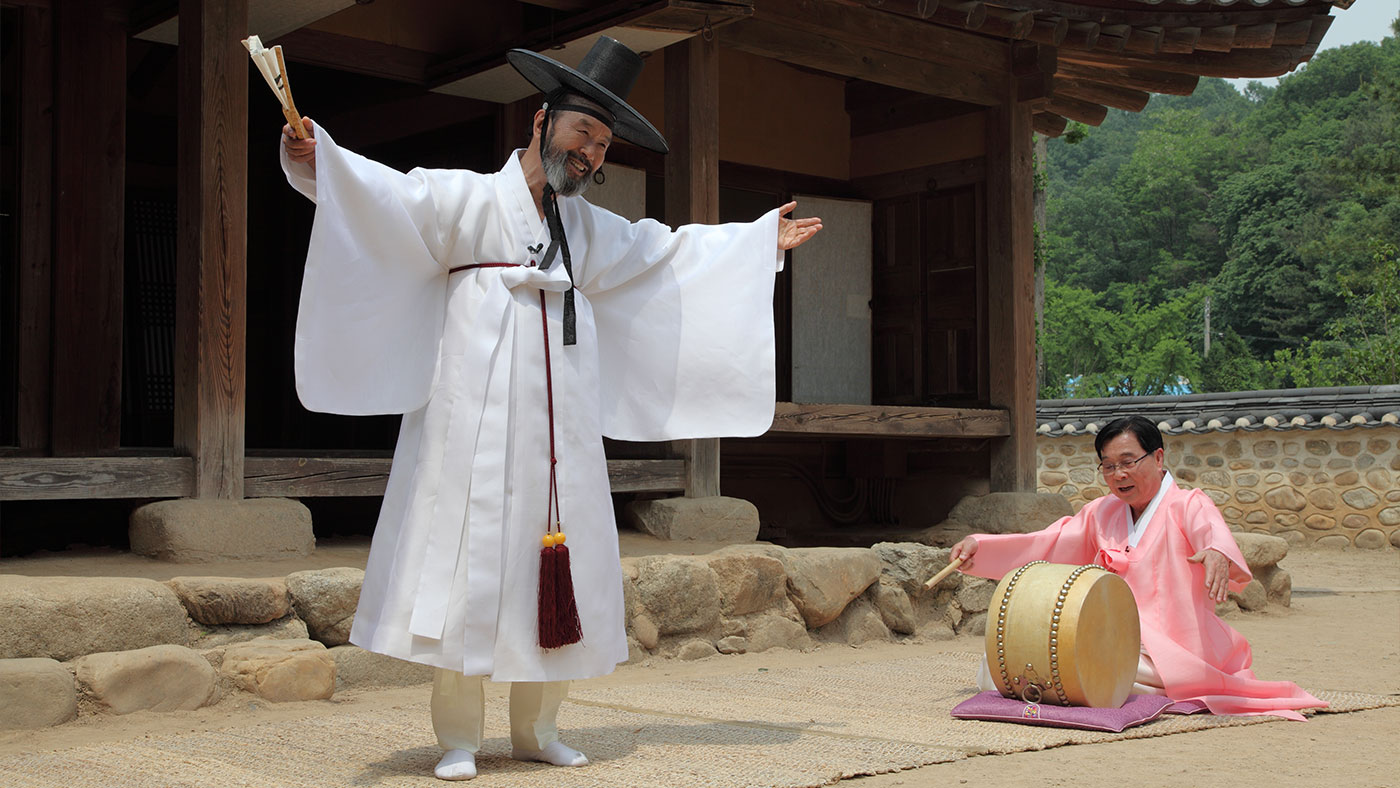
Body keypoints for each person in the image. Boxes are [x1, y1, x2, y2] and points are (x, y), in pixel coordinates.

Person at [278, 37, 822, 781]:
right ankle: (460, 737)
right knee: (469, 559)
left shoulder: (590, 229)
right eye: (582, 135)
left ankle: (538, 729)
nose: (591, 154)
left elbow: (668, 257)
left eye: (602, 146)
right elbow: (389, 197)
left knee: (552, 568)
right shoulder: (466, 199)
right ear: (541, 122)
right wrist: (321, 161)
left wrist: (761, 244)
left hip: (557, 431)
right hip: (470, 417)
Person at [949, 415, 1325, 720]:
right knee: (999, 664)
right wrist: (980, 548)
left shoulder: (1188, 504)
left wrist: (1215, 552)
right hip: (1112, 633)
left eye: (1128, 462)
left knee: (1104, 672)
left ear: (1158, 458)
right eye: (1109, 466)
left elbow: (1209, 530)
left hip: (1172, 646)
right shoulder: (1102, 512)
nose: (1118, 474)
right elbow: (1047, 542)